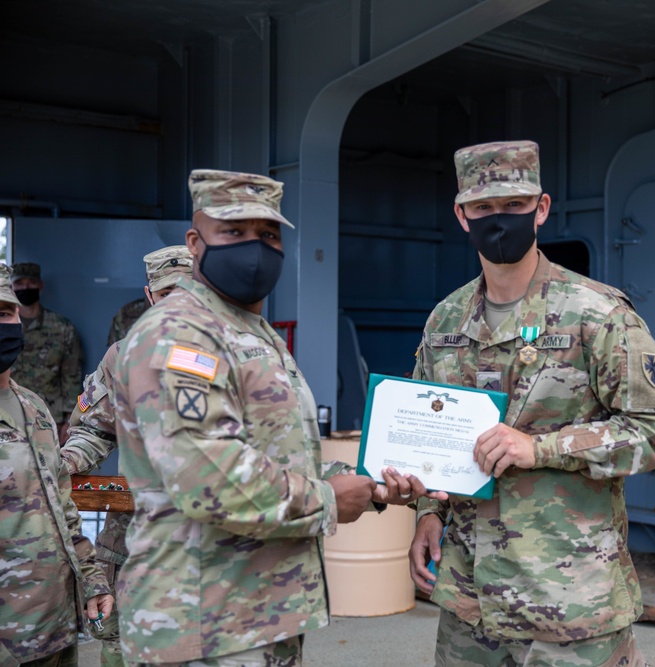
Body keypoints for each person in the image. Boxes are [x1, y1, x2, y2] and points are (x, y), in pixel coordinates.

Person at [111, 169, 440, 665]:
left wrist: (368, 485)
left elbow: (274, 458)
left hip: (258, 615)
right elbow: (210, 478)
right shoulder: (180, 334)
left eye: (267, 235)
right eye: (234, 232)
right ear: (195, 243)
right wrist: (329, 498)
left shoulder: (250, 330)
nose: (254, 248)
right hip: (200, 624)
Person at [408, 140, 655, 666]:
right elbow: (431, 433)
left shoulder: (596, 312)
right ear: (461, 215)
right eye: (483, 207)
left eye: (513, 205)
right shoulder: (445, 320)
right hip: (472, 603)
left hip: (571, 599)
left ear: (540, 208)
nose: (499, 220)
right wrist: (428, 513)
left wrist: (542, 449)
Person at [60, 245, 193, 667]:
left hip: (212, 540)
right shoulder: (123, 358)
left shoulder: (236, 355)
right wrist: (61, 464)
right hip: (134, 539)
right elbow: (94, 429)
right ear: (150, 296)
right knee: (123, 652)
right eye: (167, 292)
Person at [0, 263, 114, 665]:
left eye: (5, 312)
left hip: (53, 628)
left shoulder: (35, 409)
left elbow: (61, 511)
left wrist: (92, 581)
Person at [10, 261, 83, 443]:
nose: (25, 288)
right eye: (19, 283)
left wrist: (70, 420)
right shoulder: (5, 326)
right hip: (8, 415)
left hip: (48, 418)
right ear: (11, 287)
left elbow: (71, 376)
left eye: (31, 283)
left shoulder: (62, 327)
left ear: (40, 285)